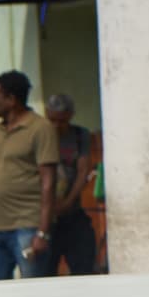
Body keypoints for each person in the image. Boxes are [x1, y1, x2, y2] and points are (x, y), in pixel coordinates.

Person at [0, 70, 59, 281]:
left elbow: (48, 182)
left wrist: (42, 232)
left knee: (33, 291)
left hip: (27, 226)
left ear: (12, 99)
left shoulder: (40, 129)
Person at [43, 93, 99, 275]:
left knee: (83, 266)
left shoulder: (79, 135)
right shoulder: (40, 136)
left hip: (72, 212)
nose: (57, 126)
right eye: (53, 121)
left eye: (62, 121)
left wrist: (68, 202)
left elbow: (83, 170)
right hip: (45, 217)